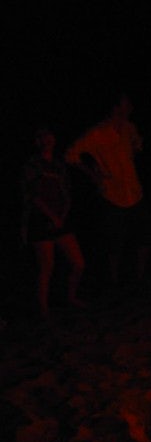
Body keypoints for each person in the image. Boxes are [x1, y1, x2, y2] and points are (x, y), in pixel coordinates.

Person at [65, 93, 151, 289]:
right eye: (126, 103)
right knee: (114, 243)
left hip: (134, 191)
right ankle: (114, 282)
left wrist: (136, 148)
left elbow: (137, 146)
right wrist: (92, 173)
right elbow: (71, 154)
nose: (130, 106)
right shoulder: (98, 133)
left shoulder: (129, 128)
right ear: (116, 108)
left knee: (146, 234)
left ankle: (139, 277)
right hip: (112, 194)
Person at [20, 126, 86, 319]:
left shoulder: (58, 165)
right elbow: (33, 195)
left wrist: (62, 215)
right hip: (40, 220)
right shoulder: (32, 165)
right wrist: (51, 216)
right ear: (37, 141)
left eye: (49, 135)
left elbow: (66, 192)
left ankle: (71, 297)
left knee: (78, 263)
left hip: (60, 219)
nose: (47, 139)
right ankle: (44, 309)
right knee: (46, 266)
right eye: (42, 136)